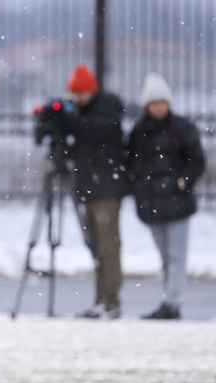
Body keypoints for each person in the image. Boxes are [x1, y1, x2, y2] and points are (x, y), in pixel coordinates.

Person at [126, 73, 206, 320]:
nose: (159, 107)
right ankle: (169, 299)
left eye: (162, 102)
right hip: (152, 204)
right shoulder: (139, 133)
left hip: (176, 202)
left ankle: (172, 302)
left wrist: (181, 183)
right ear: (147, 106)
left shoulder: (182, 129)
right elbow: (132, 165)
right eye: (154, 103)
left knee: (176, 256)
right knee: (165, 257)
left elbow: (197, 161)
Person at [58, 64, 129, 319]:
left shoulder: (106, 110)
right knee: (96, 247)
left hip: (106, 189)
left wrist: (70, 119)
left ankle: (111, 300)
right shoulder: (81, 114)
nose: (78, 99)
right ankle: (101, 299)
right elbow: (78, 145)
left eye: (81, 93)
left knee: (108, 246)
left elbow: (96, 131)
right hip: (88, 188)